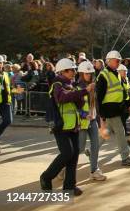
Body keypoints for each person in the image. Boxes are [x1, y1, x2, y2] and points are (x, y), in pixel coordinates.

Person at [40, 58, 92, 195]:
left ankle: (69, 187)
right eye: (72, 70)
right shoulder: (57, 84)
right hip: (61, 126)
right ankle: (46, 177)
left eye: (75, 70)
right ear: (63, 71)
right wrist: (83, 91)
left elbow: (78, 104)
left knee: (73, 156)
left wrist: (83, 94)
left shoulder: (71, 85)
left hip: (73, 126)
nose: (74, 72)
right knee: (67, 153)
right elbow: (62, 98)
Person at [96, 50, 130, 167]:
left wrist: (128, 103)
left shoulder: (117, 73)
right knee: (120, 132)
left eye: (119, 61)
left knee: (107, 132)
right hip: (109, 110)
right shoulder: (103, 75)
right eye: (116, 60)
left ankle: (92, 151)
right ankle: (125, 157)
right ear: (109, 61)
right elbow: (98, 96)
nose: (118, 62)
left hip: (116, 109)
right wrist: (101, 113)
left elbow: (122, 91)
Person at [77, 60, 106, 181]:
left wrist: (101, 119)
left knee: (95, 146)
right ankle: (63, 167)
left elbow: (96, 105)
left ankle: (94, 170)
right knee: (80, 148)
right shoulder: (77, 87)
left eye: (91, 73)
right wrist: (84, 114)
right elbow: (74, 107)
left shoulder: (94, 86)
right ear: (81, 74)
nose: (89, 75)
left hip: (93, 120)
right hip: (82, 123)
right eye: (86, 73)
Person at [0, 55, 13, 154]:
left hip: (5, 102)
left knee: (8, 120)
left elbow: (9, 88)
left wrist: (17, 90)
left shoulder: (6, 74)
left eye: (0, 63)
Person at [117, 64, 130, 135]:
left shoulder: (126, 79)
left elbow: (127, 89)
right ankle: (124, 132)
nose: (126, 73)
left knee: (126, 115)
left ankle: (120, 130)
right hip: (120, 101)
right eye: (124, 71)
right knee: (123, 116)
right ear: (119, 72)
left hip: (126, 100)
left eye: (126, 71)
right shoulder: (118, 79)